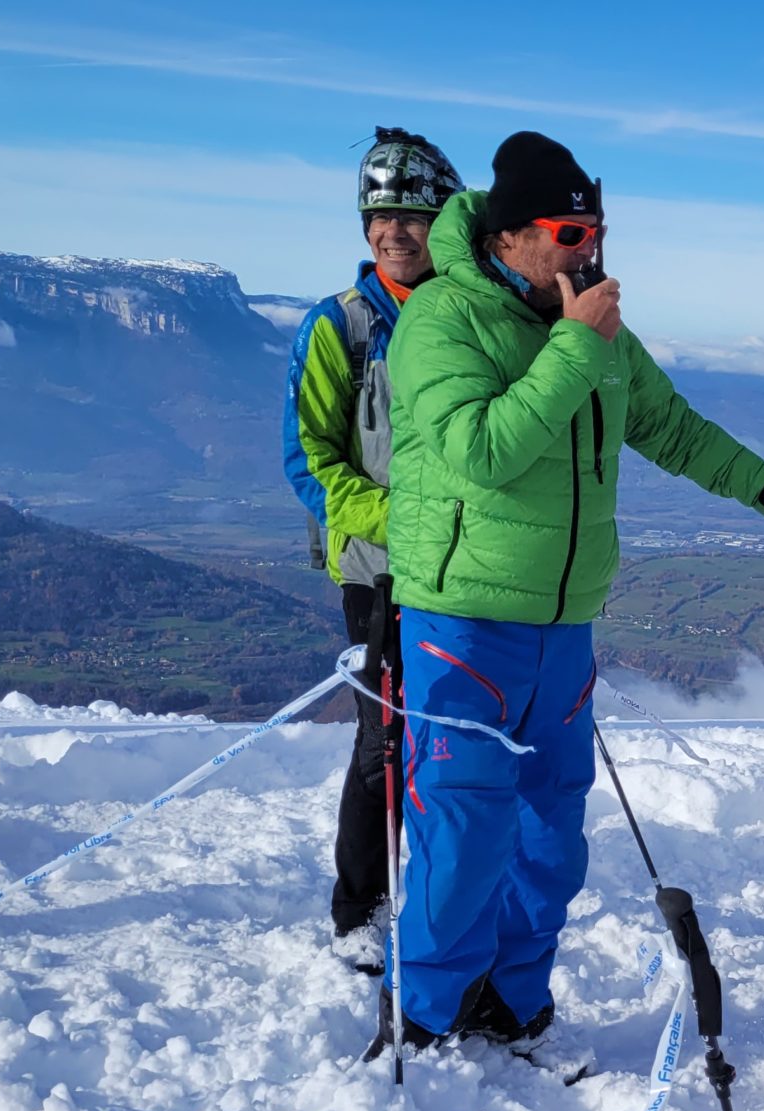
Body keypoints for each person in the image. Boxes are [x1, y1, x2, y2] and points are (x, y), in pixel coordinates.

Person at [375, 131, 764, 1068]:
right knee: (464, 826)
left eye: (597, 229)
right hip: (463, 620)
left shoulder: (592, 328)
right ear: (509, 235)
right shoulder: (443, 318)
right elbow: (481, 452)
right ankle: (426, 1017)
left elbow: (674, 429)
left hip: (563, 624)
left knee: (550, 832)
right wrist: (571, 345)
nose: (588, 248)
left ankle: (514, 1003)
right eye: (569, 232)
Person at [281, 127, 465, 971]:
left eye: (412, 216)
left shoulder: (468, 317)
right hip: (379, 570)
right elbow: (310, 461)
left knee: (456, 737)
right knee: (382, 740)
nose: (394, 231)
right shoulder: (340, 327)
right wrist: (405, 521)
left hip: (466, 569)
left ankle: (447, 894)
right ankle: (360, 907)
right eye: (379, 216)